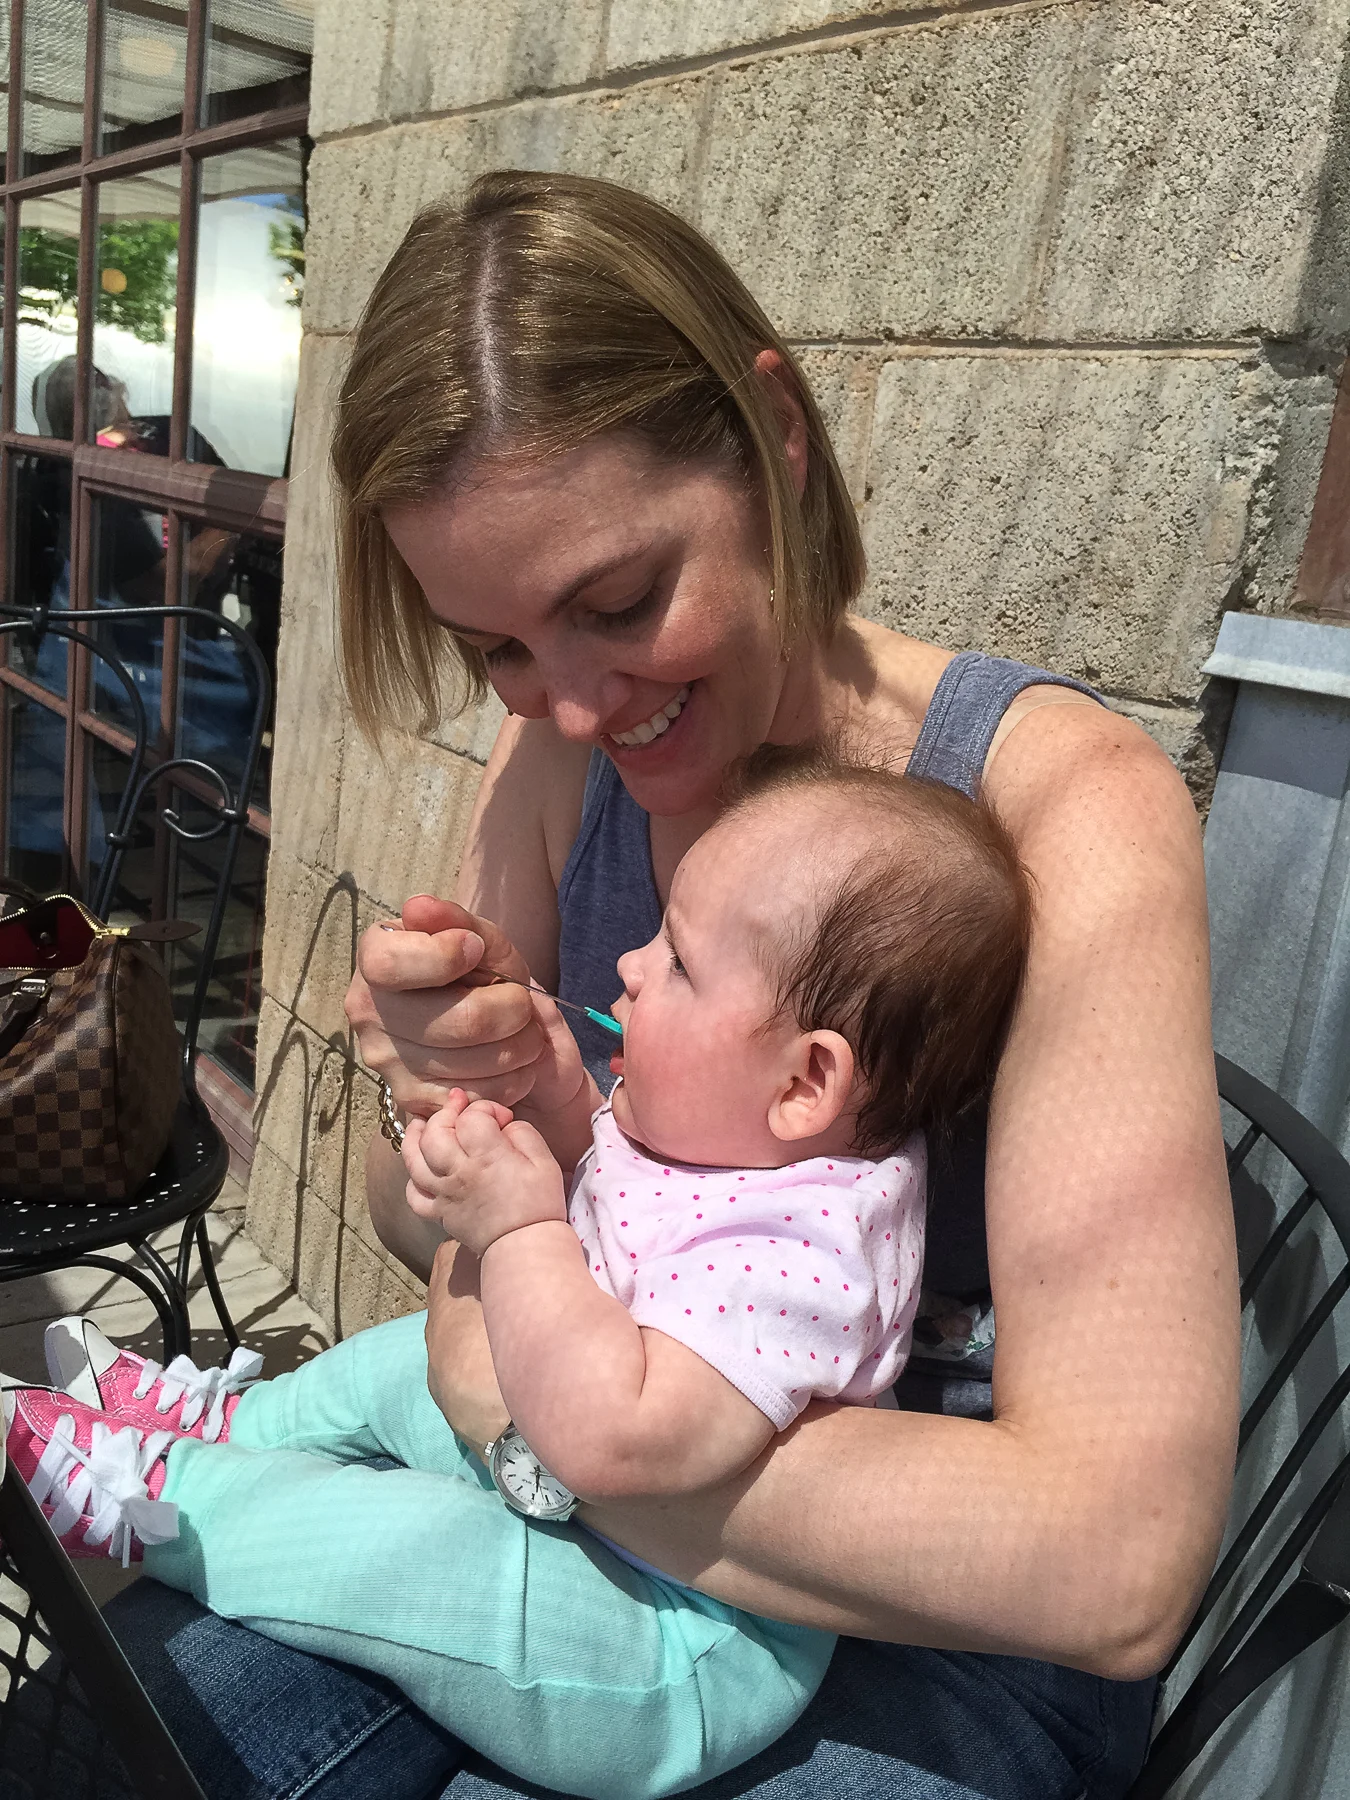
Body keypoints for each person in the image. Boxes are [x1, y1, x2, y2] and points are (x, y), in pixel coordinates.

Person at [92, 169, 1239, 1800]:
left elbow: (1106, 1562)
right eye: (490, 645)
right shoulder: (564, 752)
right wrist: (451, 1117)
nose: (567, 706)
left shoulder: (1064, 808)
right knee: (117, 1721)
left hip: (921, 1633)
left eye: (619, 602)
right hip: (577, 1475)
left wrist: (537, 1419)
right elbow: (428, 1236)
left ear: (772, 442)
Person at [8, 749, 1030, 1800]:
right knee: (401, 1363)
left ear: (807, 1082)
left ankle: (158, 1498)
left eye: (676, 962)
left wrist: (516, 1227)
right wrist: (554, 1098)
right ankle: (225, 1431)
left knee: (400, 1544)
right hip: (610, 1537)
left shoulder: (808, 1258)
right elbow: (632, 1219)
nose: (629, 966)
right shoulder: (747, 1141)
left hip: (670, 1641)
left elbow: (610, 1435)